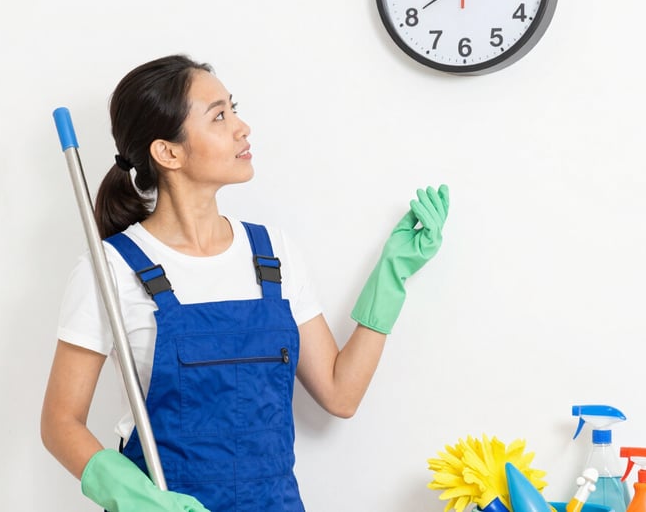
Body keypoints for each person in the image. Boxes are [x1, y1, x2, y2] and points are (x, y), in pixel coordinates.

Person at [40, 54, 449, 512]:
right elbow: (60, 421)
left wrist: (392, 273)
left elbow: (341, 393)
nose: (242, 127)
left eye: (233, 109)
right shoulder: (110, 269)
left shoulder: (272, 254)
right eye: (219, 116)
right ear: (168, 152)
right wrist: (131, 496)